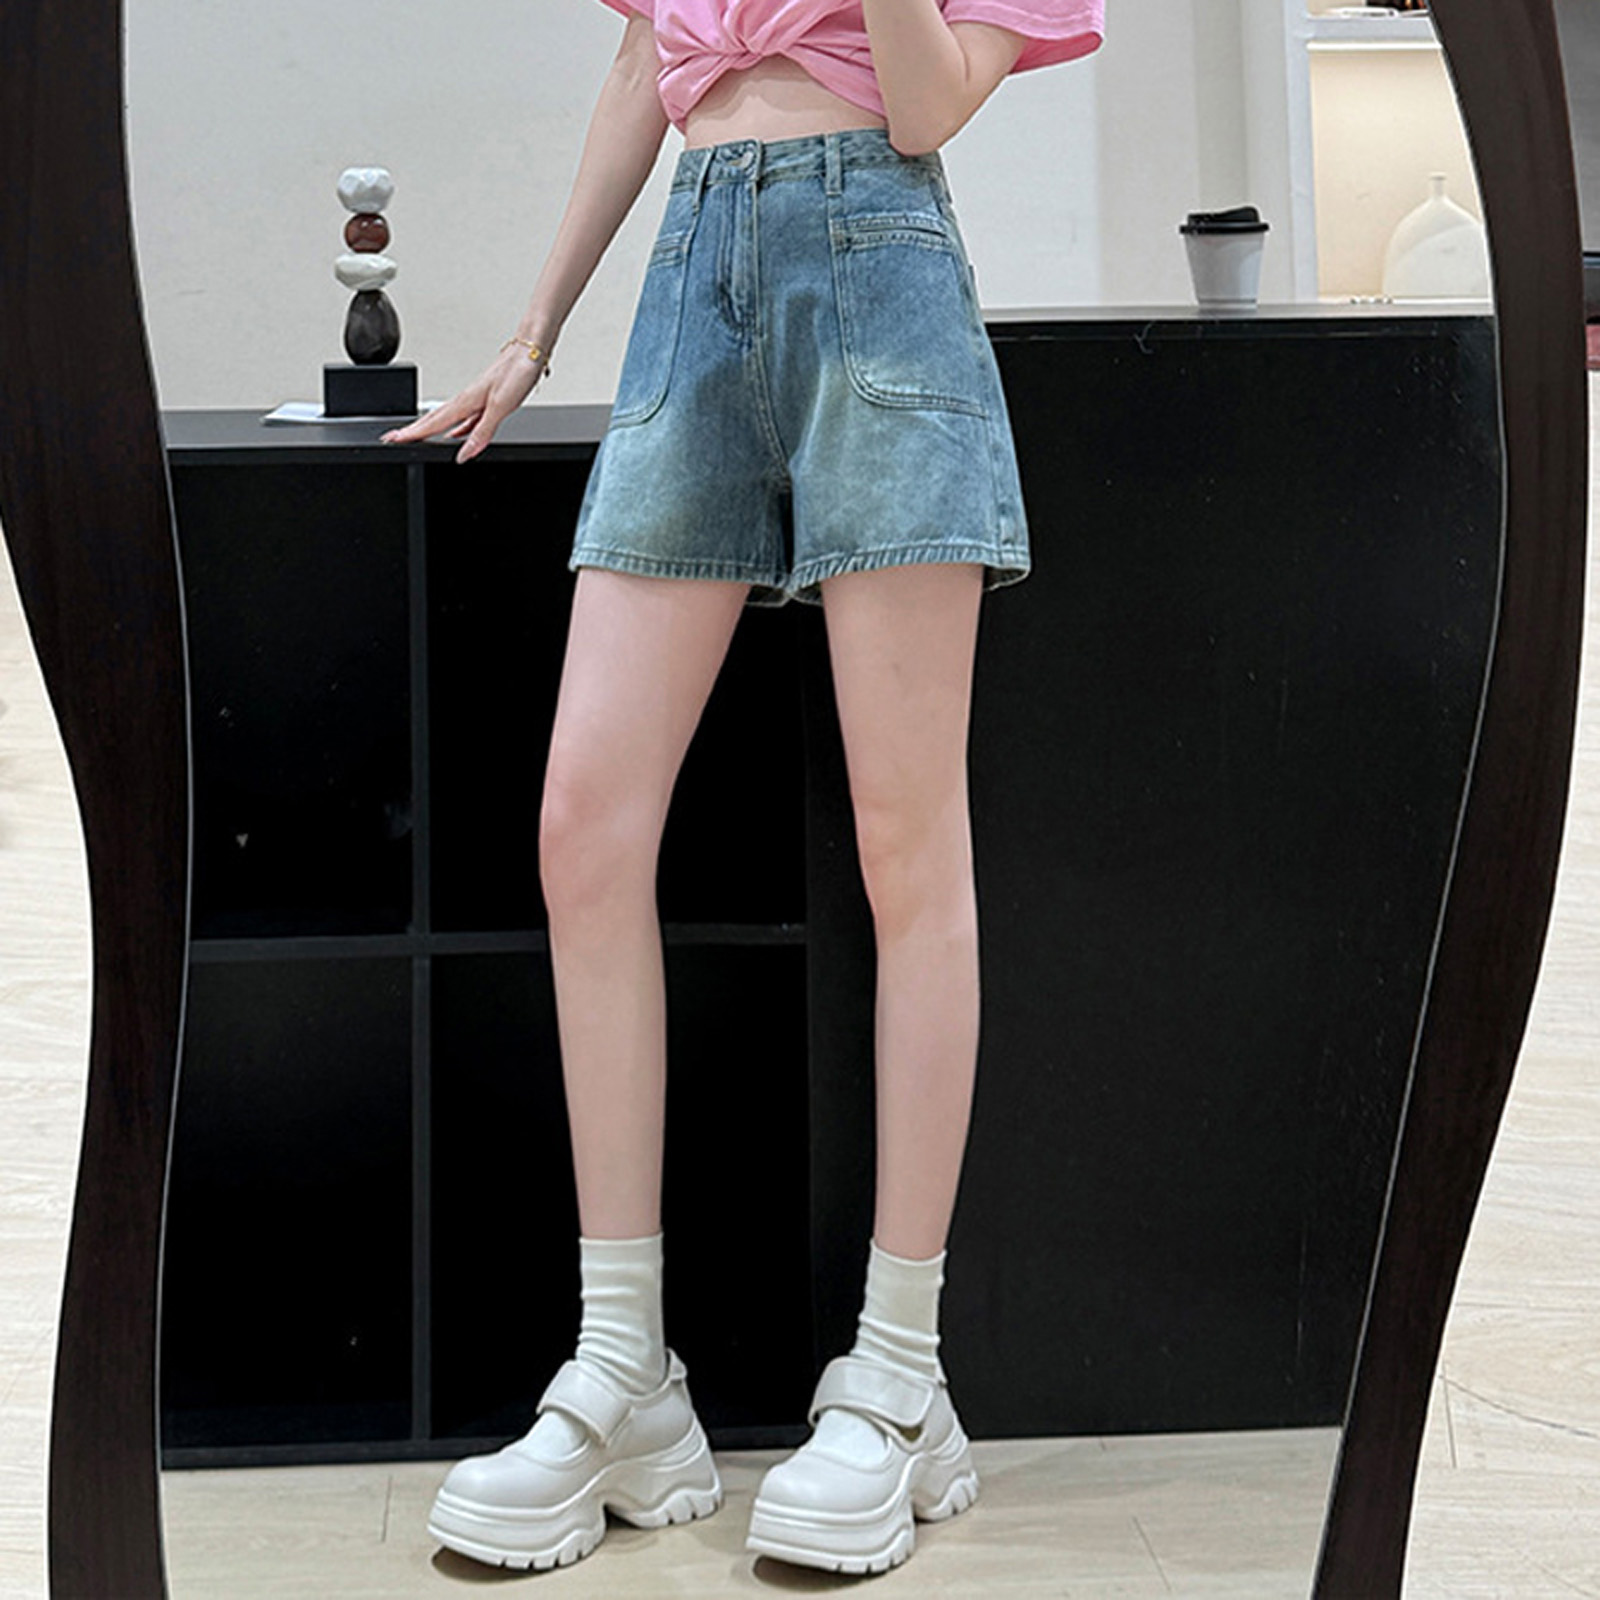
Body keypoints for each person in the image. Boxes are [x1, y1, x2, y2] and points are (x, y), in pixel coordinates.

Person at [380, 0, 1103, 1576]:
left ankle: (899, 1378)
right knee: (583, 826)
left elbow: (927, 108)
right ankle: (625, 1369)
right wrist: (532, 331)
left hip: (882, 266)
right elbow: (643, 64)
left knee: (910, 845)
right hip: (690, 277)